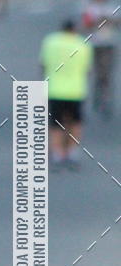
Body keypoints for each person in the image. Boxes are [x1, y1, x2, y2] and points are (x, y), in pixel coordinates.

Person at [39, 19, 93, 171]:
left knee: (56, 123)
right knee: (75, 122)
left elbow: (43, 64)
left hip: (55, 89)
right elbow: (87, 69)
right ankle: (72, 151)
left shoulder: (50, 41)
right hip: (76, 90)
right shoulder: (83, 44)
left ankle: (57, 152)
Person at [80, 0, 119, 118]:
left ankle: (105, 99)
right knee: (93, 73)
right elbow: (85, 25)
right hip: (94, 44)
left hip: (108, 45)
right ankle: (96, 97)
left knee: (106, 74)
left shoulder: (112, 8)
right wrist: (99, 21)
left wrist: (110, 20)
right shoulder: (90, 9)